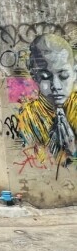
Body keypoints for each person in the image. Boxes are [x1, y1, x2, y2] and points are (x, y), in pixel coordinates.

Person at [17, 33, 77, 167]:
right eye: (45, 76)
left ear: (75, 73)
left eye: (63, 75)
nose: (55, 86)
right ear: (34, 76)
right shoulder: (28, 117)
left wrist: (73, 151)